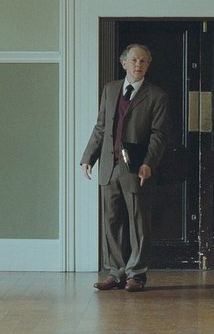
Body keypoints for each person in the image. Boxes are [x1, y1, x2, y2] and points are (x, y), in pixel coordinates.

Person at [80, 44, 168, 293]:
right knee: (111, 221)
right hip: (109, 166)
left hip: (137, 169)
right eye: (134, 60)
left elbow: (159, 135)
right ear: (124, 63)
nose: (138, 65)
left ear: (148, 65)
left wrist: (148, 163)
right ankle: (115, 272)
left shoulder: (156, 96)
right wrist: (88, 157)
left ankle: (136, 275)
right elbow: (101, 126)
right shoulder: (110, 90)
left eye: (143, 61)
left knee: (139, 222)